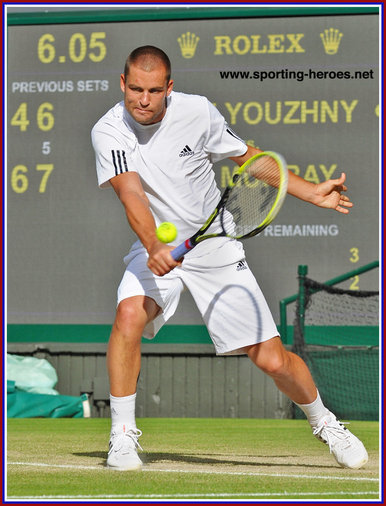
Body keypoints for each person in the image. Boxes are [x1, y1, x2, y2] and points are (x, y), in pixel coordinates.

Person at [91, 45, 368, 472]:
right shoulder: (108, 131)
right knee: (129, 315)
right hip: (156, 246)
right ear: (122, 83)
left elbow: (251, 160)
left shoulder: (198, 112)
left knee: (272, 359)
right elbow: (131, 193)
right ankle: (123, 437)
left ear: (169, 88)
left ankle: (326, 423)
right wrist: (153, 246)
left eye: (153, 91)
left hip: (215, 245)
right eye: (135, 90)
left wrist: (311, 191)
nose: (142, 101)